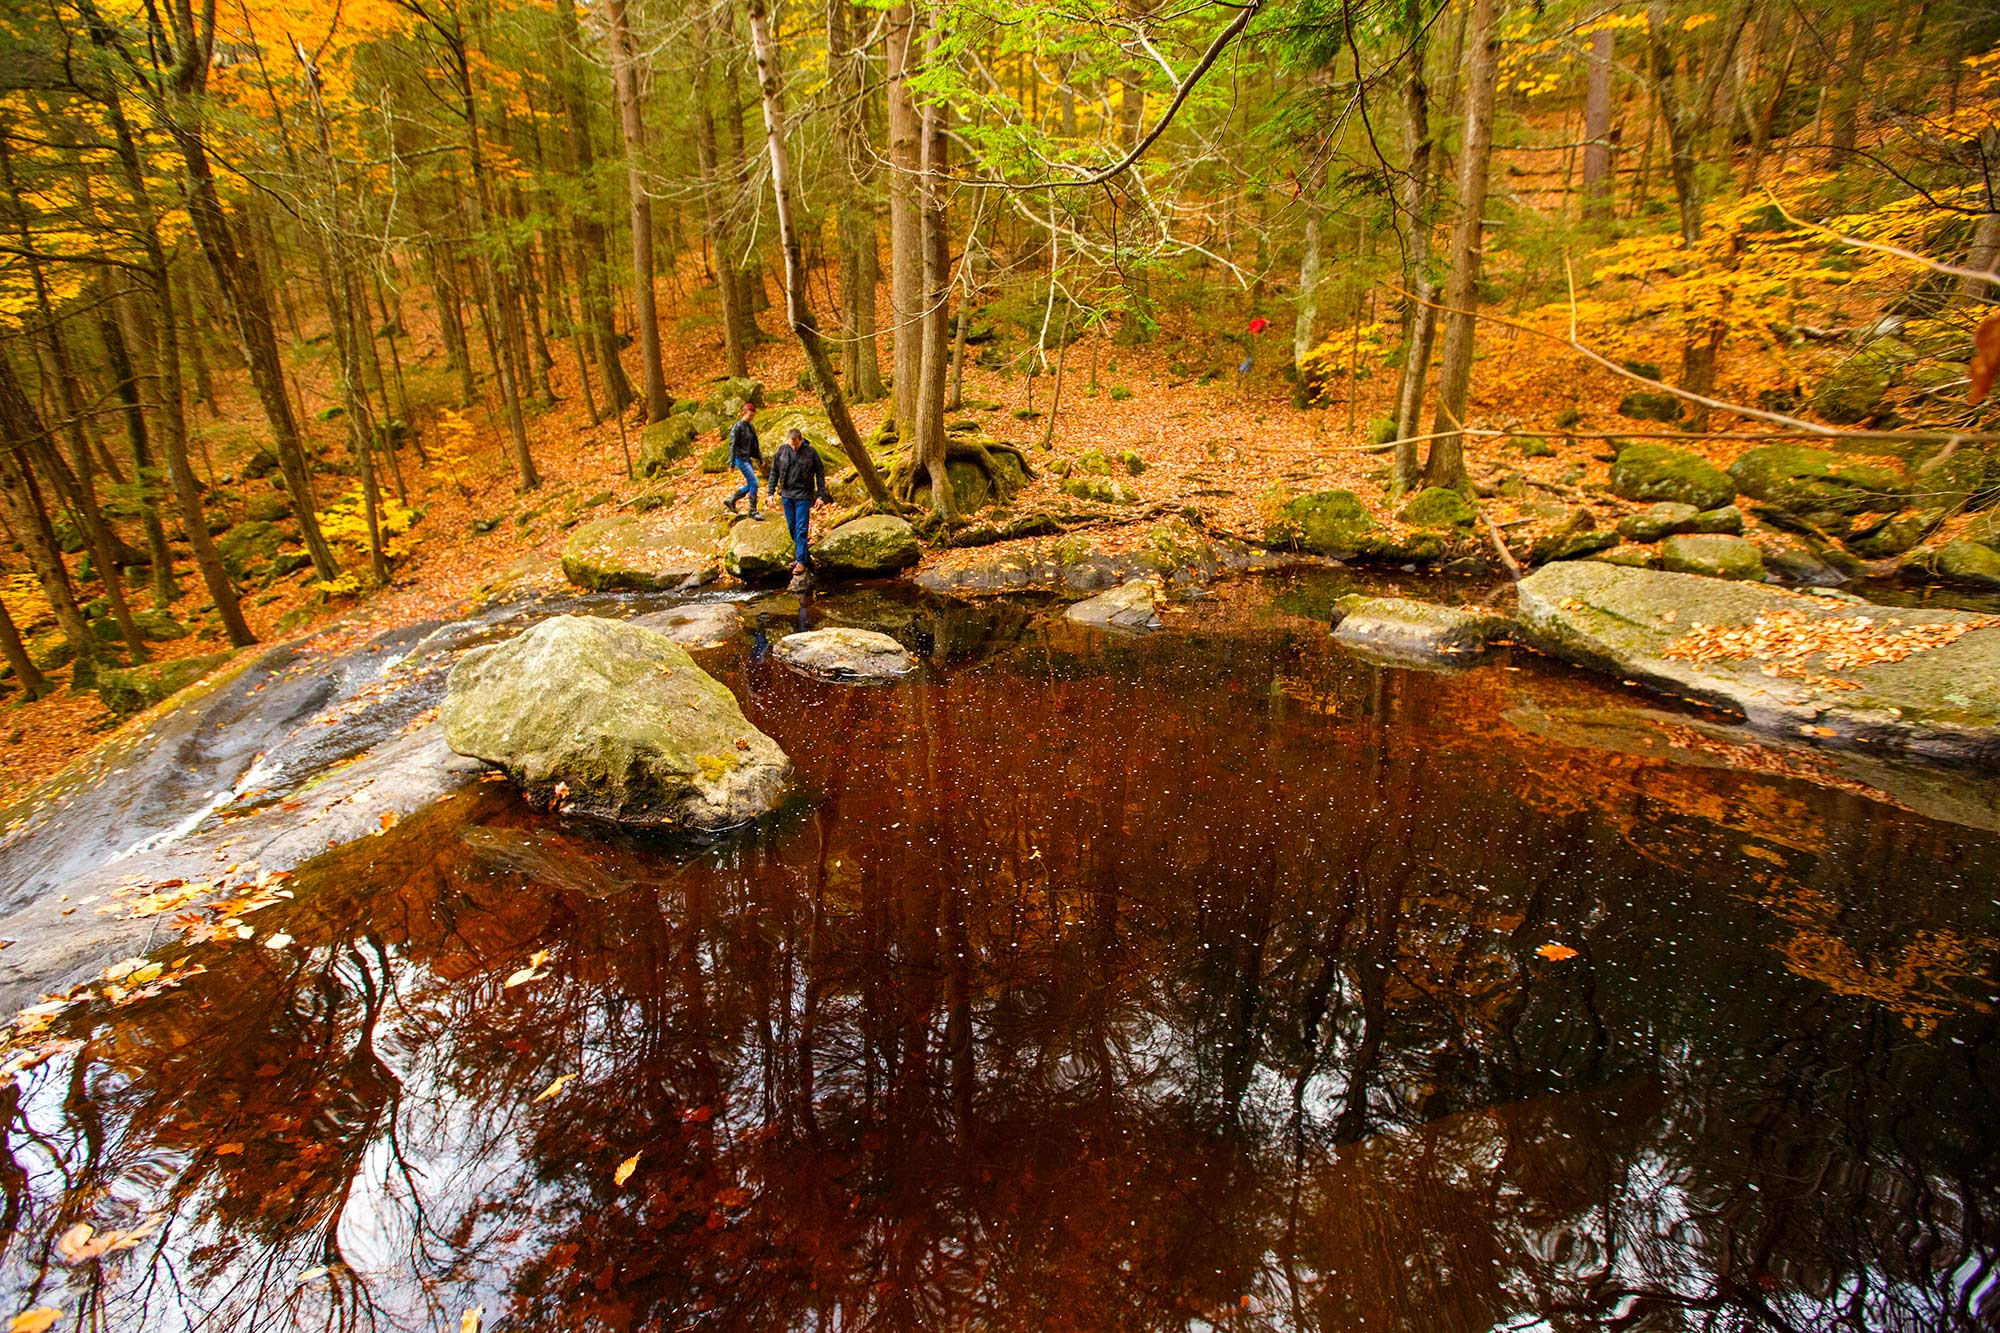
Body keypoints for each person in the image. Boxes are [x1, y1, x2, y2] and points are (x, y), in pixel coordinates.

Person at [767, 426, 833, 580]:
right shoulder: (782, 451)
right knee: (792, 527)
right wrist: (770, 493)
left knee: (801, 528)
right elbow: (774, 472)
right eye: (791, 444)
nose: (794, 447)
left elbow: (820, 473)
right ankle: (803, 557)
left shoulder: (811, 452)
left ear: (800, 440)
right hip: (787, 495)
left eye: (796, 444)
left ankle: (801, 562)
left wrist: (821, 495)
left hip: (804, 495)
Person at [724, 401, 765, 519]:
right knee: (755, 483)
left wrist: (760, 457)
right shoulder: (737, 427)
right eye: (749, 416)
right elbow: (733, 445)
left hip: (747, 458)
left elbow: (754, 445)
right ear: (744, 413)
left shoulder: (750, 426)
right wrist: (731, 463)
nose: (751, 418)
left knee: (751, 483)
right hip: (739, 459)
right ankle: (753, 510)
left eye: (753, 416)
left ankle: (731, 499)